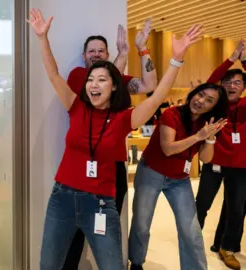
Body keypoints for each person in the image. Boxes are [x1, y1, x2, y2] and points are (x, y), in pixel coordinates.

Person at [27, 8, 202, 269]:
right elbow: (53, 74)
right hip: (62, 197)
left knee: (112, 265)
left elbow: (154, 96)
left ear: (115, 84)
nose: (93, 84)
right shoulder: (76, 105)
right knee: (49, 264)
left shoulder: (124, 118)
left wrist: (176, 59)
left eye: (101, 79)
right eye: (91, 80)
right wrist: (42, 38)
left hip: (100, 202)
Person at [63, 17, 158, 270]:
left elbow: (150, 85)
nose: (96, 55)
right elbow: (101, 90)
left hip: (113, 167)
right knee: (75, 231)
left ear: (108, 53)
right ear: (84, 56)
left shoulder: (119, 81)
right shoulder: (78, 76)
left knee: (108, 229)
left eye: (101, 51)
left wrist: (141, 49)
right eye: (91, 51)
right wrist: (122, 57)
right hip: (81, 168)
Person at [128, 83, 228, 270]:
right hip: (152, 171)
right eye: (200, 94)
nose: (201, 101)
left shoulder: (207, 125)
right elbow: (168, 149)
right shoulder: (171, 114)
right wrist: (199, 136)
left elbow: (206, 159)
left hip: (179, 179)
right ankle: (136, 262)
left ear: (214, 107)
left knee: (191, 229)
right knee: (142, 222)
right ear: (193, 93)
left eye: (209, 100)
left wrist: (210, 137)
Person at [195, 40, 246, 269]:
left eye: (237, 82)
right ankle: (193, 242)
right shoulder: (216, 105)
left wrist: (244, 62)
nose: (232, 86)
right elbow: (209, 82)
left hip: (241, 166)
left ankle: (227, 248)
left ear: (243, 87)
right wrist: (232, 58)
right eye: (227, 82)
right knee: (202, 204)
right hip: (214, 162)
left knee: (237, 208)